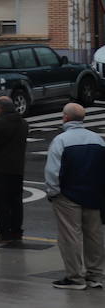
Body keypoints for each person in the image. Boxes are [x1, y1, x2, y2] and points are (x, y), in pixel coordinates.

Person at [44, 103, 105, 290]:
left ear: (66, 118)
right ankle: (96, 275)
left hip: (68, 195)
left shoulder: (61, 140)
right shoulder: (98, 140)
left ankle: (75, 277)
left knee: (70, 236)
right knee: (94, 236)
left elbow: (53, 171)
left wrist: (53, 192)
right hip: (95, 195)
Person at [0, 96, 29, 243]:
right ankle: (16, 230)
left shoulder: (0, 123)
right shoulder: (23, 123)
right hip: (17, 168)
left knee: (1, 203)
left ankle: (4, 230)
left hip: (1, 168)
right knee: (16, 201)